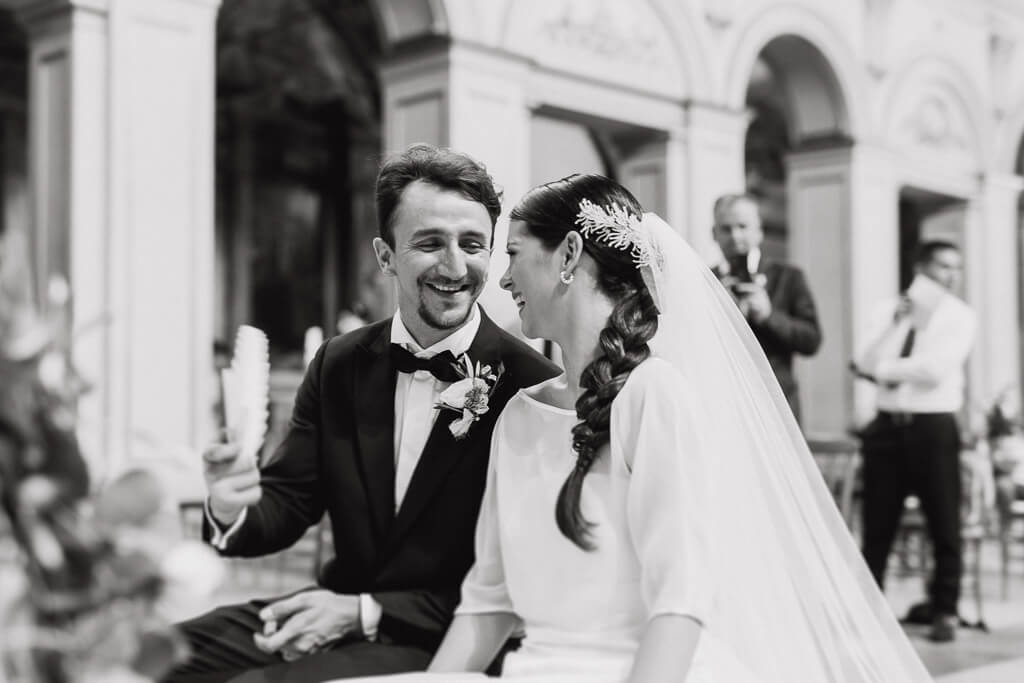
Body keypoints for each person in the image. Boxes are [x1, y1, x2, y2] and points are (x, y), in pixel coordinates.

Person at [341, 175, 931, 682]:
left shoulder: (654, 398)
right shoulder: (517, 414)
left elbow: (679, 604)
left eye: (514, 254)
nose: (502, 279)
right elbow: (488, 599)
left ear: (569, 254)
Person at [166, 145, 559, 682]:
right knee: (148, 655)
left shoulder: (531, 384)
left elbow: (520, 583)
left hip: (446, 641)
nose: (454, 266)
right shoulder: (339, 362)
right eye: (429, 243)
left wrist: (363, 612)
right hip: (334, 608)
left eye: (472, 245)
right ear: (385, 256)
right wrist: (230, 503)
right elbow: (289, 501)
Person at [852, 240, 976, 643]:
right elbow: (862, 360)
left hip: (933, 427)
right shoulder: (886, 311)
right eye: (943, 266)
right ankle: (870, 610)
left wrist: (882, 371)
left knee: (944, 521)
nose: (951, 275)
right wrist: (895, 326)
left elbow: (935, 369)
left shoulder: (960, 316)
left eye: (956, 267)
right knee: (877, 525)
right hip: (887, 427)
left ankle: (945, 609)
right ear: (921, 267)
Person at [710, 194, 821, 424]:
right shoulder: (705, 281)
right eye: (726, 229)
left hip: (777, 403)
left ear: (759, 231)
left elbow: (812, 340)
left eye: (742, 226)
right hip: (723, 403)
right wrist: (717, 313)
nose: (735, 236)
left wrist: (769, 316)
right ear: (714, 233)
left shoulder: (788, 277)